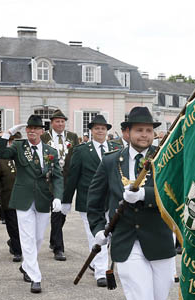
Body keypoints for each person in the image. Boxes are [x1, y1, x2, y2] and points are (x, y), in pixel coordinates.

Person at [87, 107, 176, 300]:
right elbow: (94, 201)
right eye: (139, 130)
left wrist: (146, 194)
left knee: (160, 295)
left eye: (149, 131)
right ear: (127, 133)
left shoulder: (165, 159)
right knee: (140, 295)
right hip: (126, 240)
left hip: (159, 239)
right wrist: (98, 229)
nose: (144, 135)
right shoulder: (111, 162)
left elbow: (175, 193)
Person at [0, 115, 63, 293]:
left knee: (38, 237)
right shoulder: (18, 146)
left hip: (43, 198)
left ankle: (26, 265)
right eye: (29, 128)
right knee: (27, 238)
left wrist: (58, 197)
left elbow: (57, 176)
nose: (31, 131)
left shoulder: (51, 151)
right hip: (23, 198)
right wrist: (8, 133)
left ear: (42, 131)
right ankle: (35, 277)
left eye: (35, 128)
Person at [63, 114, 120, 287]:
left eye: (103, 128)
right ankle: (101, 272)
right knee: (96, 234)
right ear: (91, 131)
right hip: (89, 200)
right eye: (96, 128)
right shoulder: (81, 151)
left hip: (111, 200)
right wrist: (66, 200)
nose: (100, 131)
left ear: (107, 131)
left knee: (108, 236)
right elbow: (73, 176)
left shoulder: (116, 148)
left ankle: (96, 263)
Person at [40, 109, 79, 261]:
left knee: (61, 214)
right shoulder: (44, 137)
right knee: (55, 213)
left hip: (67, 180)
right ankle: (58, 248)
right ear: (52, 123)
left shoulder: (72, 137)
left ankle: (53, 238)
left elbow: (75, 157)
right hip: (49, 179)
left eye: (62, 121)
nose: (60, 124)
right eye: (57, 121)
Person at [0, 132, 23, 262]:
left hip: (24, 199)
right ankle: (17, 251)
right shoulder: (2, 159)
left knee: (23, 226)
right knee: (12, 225)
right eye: (12, 142)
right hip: (8, 197)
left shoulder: (24, 157)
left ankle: (14, 243)